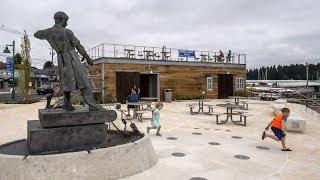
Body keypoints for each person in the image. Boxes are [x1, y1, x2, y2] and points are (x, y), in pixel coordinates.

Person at [34, 11, 102, 111]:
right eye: (66, 20)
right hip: (72, 57)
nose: (67, 22)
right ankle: (92, 105)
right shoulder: (67, 32)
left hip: (61, 59)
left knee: (65, 83)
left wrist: (49, 33)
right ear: (60, 20)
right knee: (83, 81)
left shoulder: (48, 32)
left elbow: (36, 34)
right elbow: (78, 46)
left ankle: (67, 105)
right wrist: (88, 58)